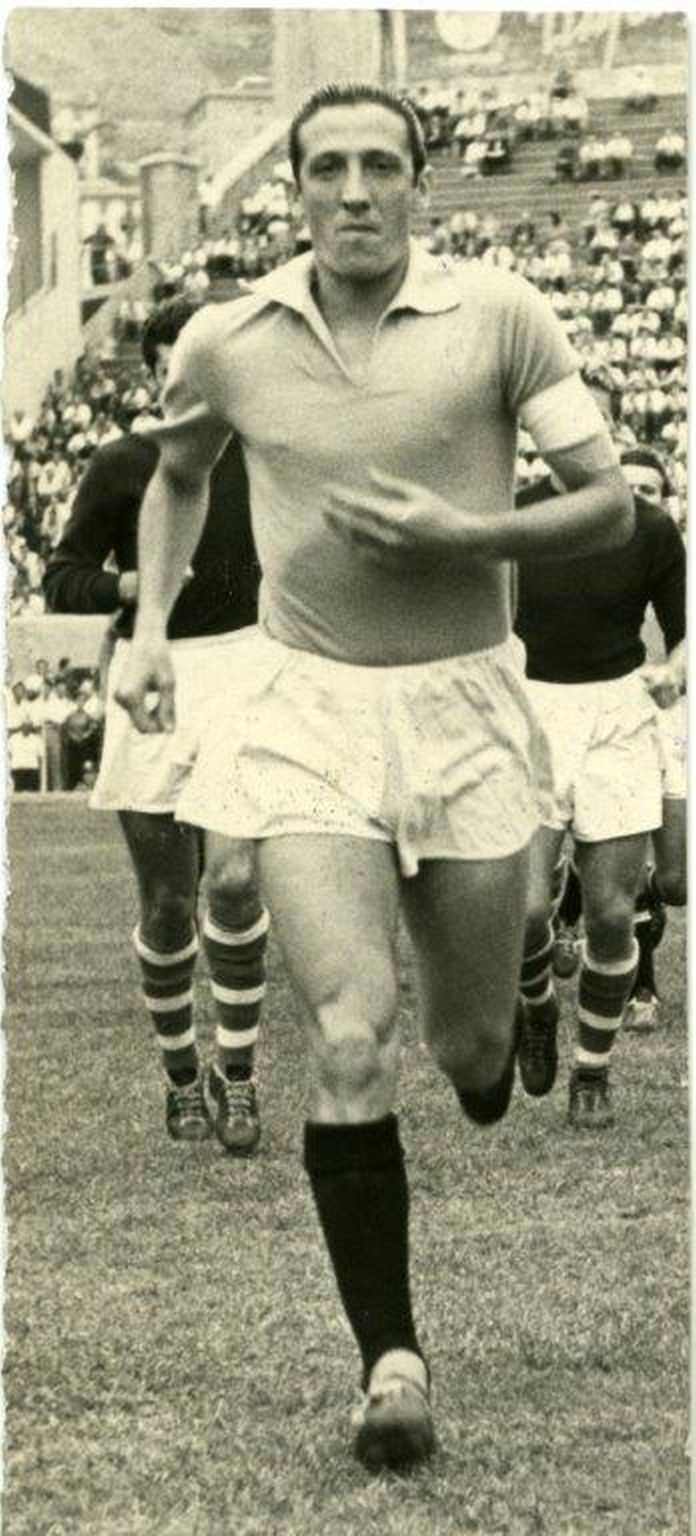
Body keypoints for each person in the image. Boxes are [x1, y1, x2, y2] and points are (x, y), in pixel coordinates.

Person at [114, 82, 633, 1471]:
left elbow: (612, 504)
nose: (355, 190)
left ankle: (518, 981)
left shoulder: (502, 315)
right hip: (305, 707)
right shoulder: (227, 339)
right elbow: (177, 476)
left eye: (381, 166)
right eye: (328, 167)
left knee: (469, 1059)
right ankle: (390, 1364)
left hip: (466, 704)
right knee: (350, 1033)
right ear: (292, 189)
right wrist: (152, 630)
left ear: (421, 181)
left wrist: (466, 535)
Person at [43, 298, 267, 1155]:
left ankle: (238, 1074)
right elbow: (63, 577)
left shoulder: (264, 452)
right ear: (156, 375)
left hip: (248, 670)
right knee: (169, 904)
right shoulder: (123, 463)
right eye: (179, 366)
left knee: (235, 882)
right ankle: (181, 1076)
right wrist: (137, 587)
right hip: (154, 675)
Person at [514, 420, 685, 1127]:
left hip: (617, 717)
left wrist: (675, 671)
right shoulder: (517, 517)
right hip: (531, 714)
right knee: (526, 912)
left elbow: (683, 633)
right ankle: (536, 1004)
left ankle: (592, 1070)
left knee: (613, 914)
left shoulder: (650, 528)